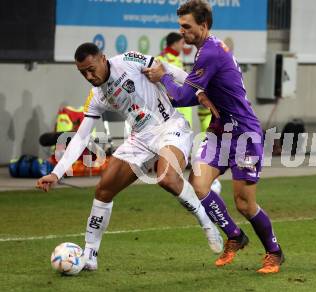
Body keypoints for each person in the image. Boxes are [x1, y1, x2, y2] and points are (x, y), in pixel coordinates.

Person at [35, 42, 223, 271]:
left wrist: (201, 90)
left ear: (103, 59)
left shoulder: (128, 61)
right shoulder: (96, 96)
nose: (89, 75)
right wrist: (56, 173)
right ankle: (90, 255)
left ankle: (205, 221)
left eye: (92, 68)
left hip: (170, 127)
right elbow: (81, 137)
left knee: (166, 177)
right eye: (83, 72)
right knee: (104, 189)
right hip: (140, 138)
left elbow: (167, 69)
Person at [145, 0, 284, 274]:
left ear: (203, 25)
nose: (182, 31)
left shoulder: (210, 52)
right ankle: (235, 236)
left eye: (187, 26)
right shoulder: (208, 49)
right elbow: (202, 89)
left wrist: (163, 77)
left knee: (245, 204)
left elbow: (182, 96)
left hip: (244, 133)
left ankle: (274, 252)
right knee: (199, 184)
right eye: (180, 26)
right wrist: (199, 92)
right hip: (221, 131)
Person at [157, 31, 221, 192]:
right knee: (173, 137)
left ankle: (183, 164)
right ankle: (173, 166)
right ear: (173, 44)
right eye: (180, 42)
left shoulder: (176, 58)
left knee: (187, 136)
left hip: (183, 104)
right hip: (174, 106)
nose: (183, 45)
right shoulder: (163, 59)